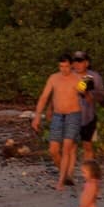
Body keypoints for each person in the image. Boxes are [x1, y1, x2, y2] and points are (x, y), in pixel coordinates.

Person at [32, 55, 83, 190]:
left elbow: (86, 96)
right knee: (53, 150)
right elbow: (44, 97)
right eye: (61, 66)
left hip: (74, 115)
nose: (63, 69)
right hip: (58, 115)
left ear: (71, 65)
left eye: (66, 66)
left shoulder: (79, 79)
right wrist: (37, 116)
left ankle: (61, 181)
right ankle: (66, 174)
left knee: (68, 148)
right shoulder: (54, 78)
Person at [71, 51, 104, 159]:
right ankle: (68, 174)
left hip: (88, 117)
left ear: (87, 63)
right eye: (75, 62)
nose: (77, 64)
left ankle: (88, 172)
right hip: (71, 117)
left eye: (80, 62)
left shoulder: (94, 77)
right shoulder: (69, 75)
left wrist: (90, 94)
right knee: (71, 146)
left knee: (88, 146)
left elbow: (102, 95)